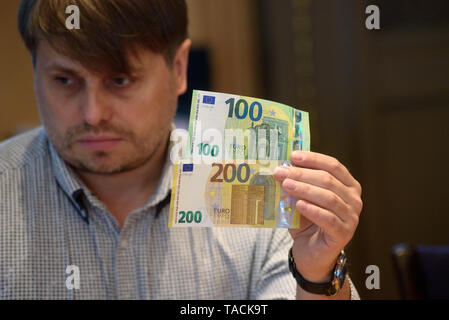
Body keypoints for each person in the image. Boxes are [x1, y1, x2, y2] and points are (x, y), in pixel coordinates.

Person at [0, 0, 362, 299]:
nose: (93, 114)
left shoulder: (265, 186)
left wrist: (316, 273)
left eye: (120, 80)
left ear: (178, 69)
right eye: (64, 80)